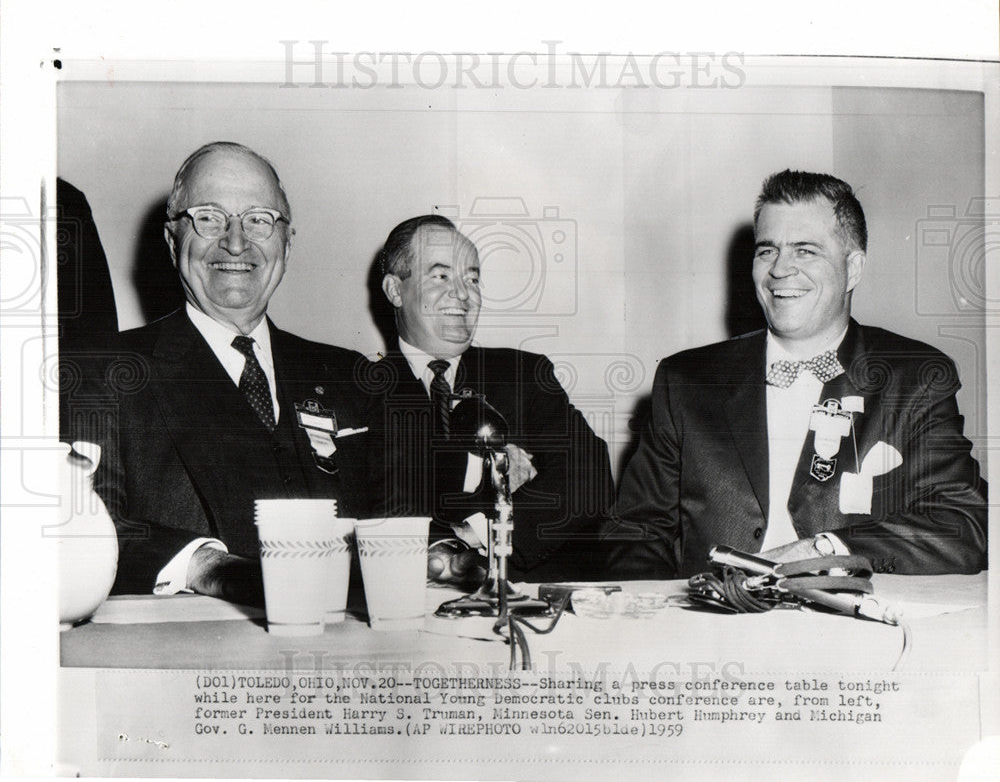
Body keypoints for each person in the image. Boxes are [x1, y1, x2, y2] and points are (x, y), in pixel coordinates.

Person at [605, 170, 987, 578]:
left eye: (806, 250)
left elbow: (963, 526)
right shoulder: (686, 380)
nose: (780, 270)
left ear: (853, 268)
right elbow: (635, 533)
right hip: (712, 628)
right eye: (767, 251)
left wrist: (826, 548)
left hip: (846, 628)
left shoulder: (915, 378)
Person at [67, 142, 382, 603]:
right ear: (173, 240)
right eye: (209, 217)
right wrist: (202, 564)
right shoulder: (105, 373)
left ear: (287, 243)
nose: (235, 242)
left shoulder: (349, 373)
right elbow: (83, 522)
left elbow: (398, 512)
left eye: (258, 219)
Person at [377, 215, 614, 582]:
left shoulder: (524, 375)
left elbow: (590, 474)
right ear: (395, 289)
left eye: (472, 278)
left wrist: (484, 531)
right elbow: (374, 503)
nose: (462, 293)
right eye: (440, 276)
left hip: (523, 595)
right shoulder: (359, 387)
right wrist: (495, 482)